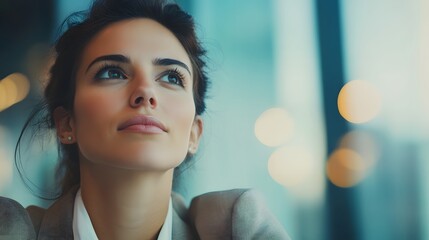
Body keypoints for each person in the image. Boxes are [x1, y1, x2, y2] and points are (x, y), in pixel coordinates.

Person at [0, 0, 290, 239]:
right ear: (66, 123)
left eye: (171, 77)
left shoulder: (239, 228)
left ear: (193, 133)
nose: (146, 93)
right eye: (112, 72)